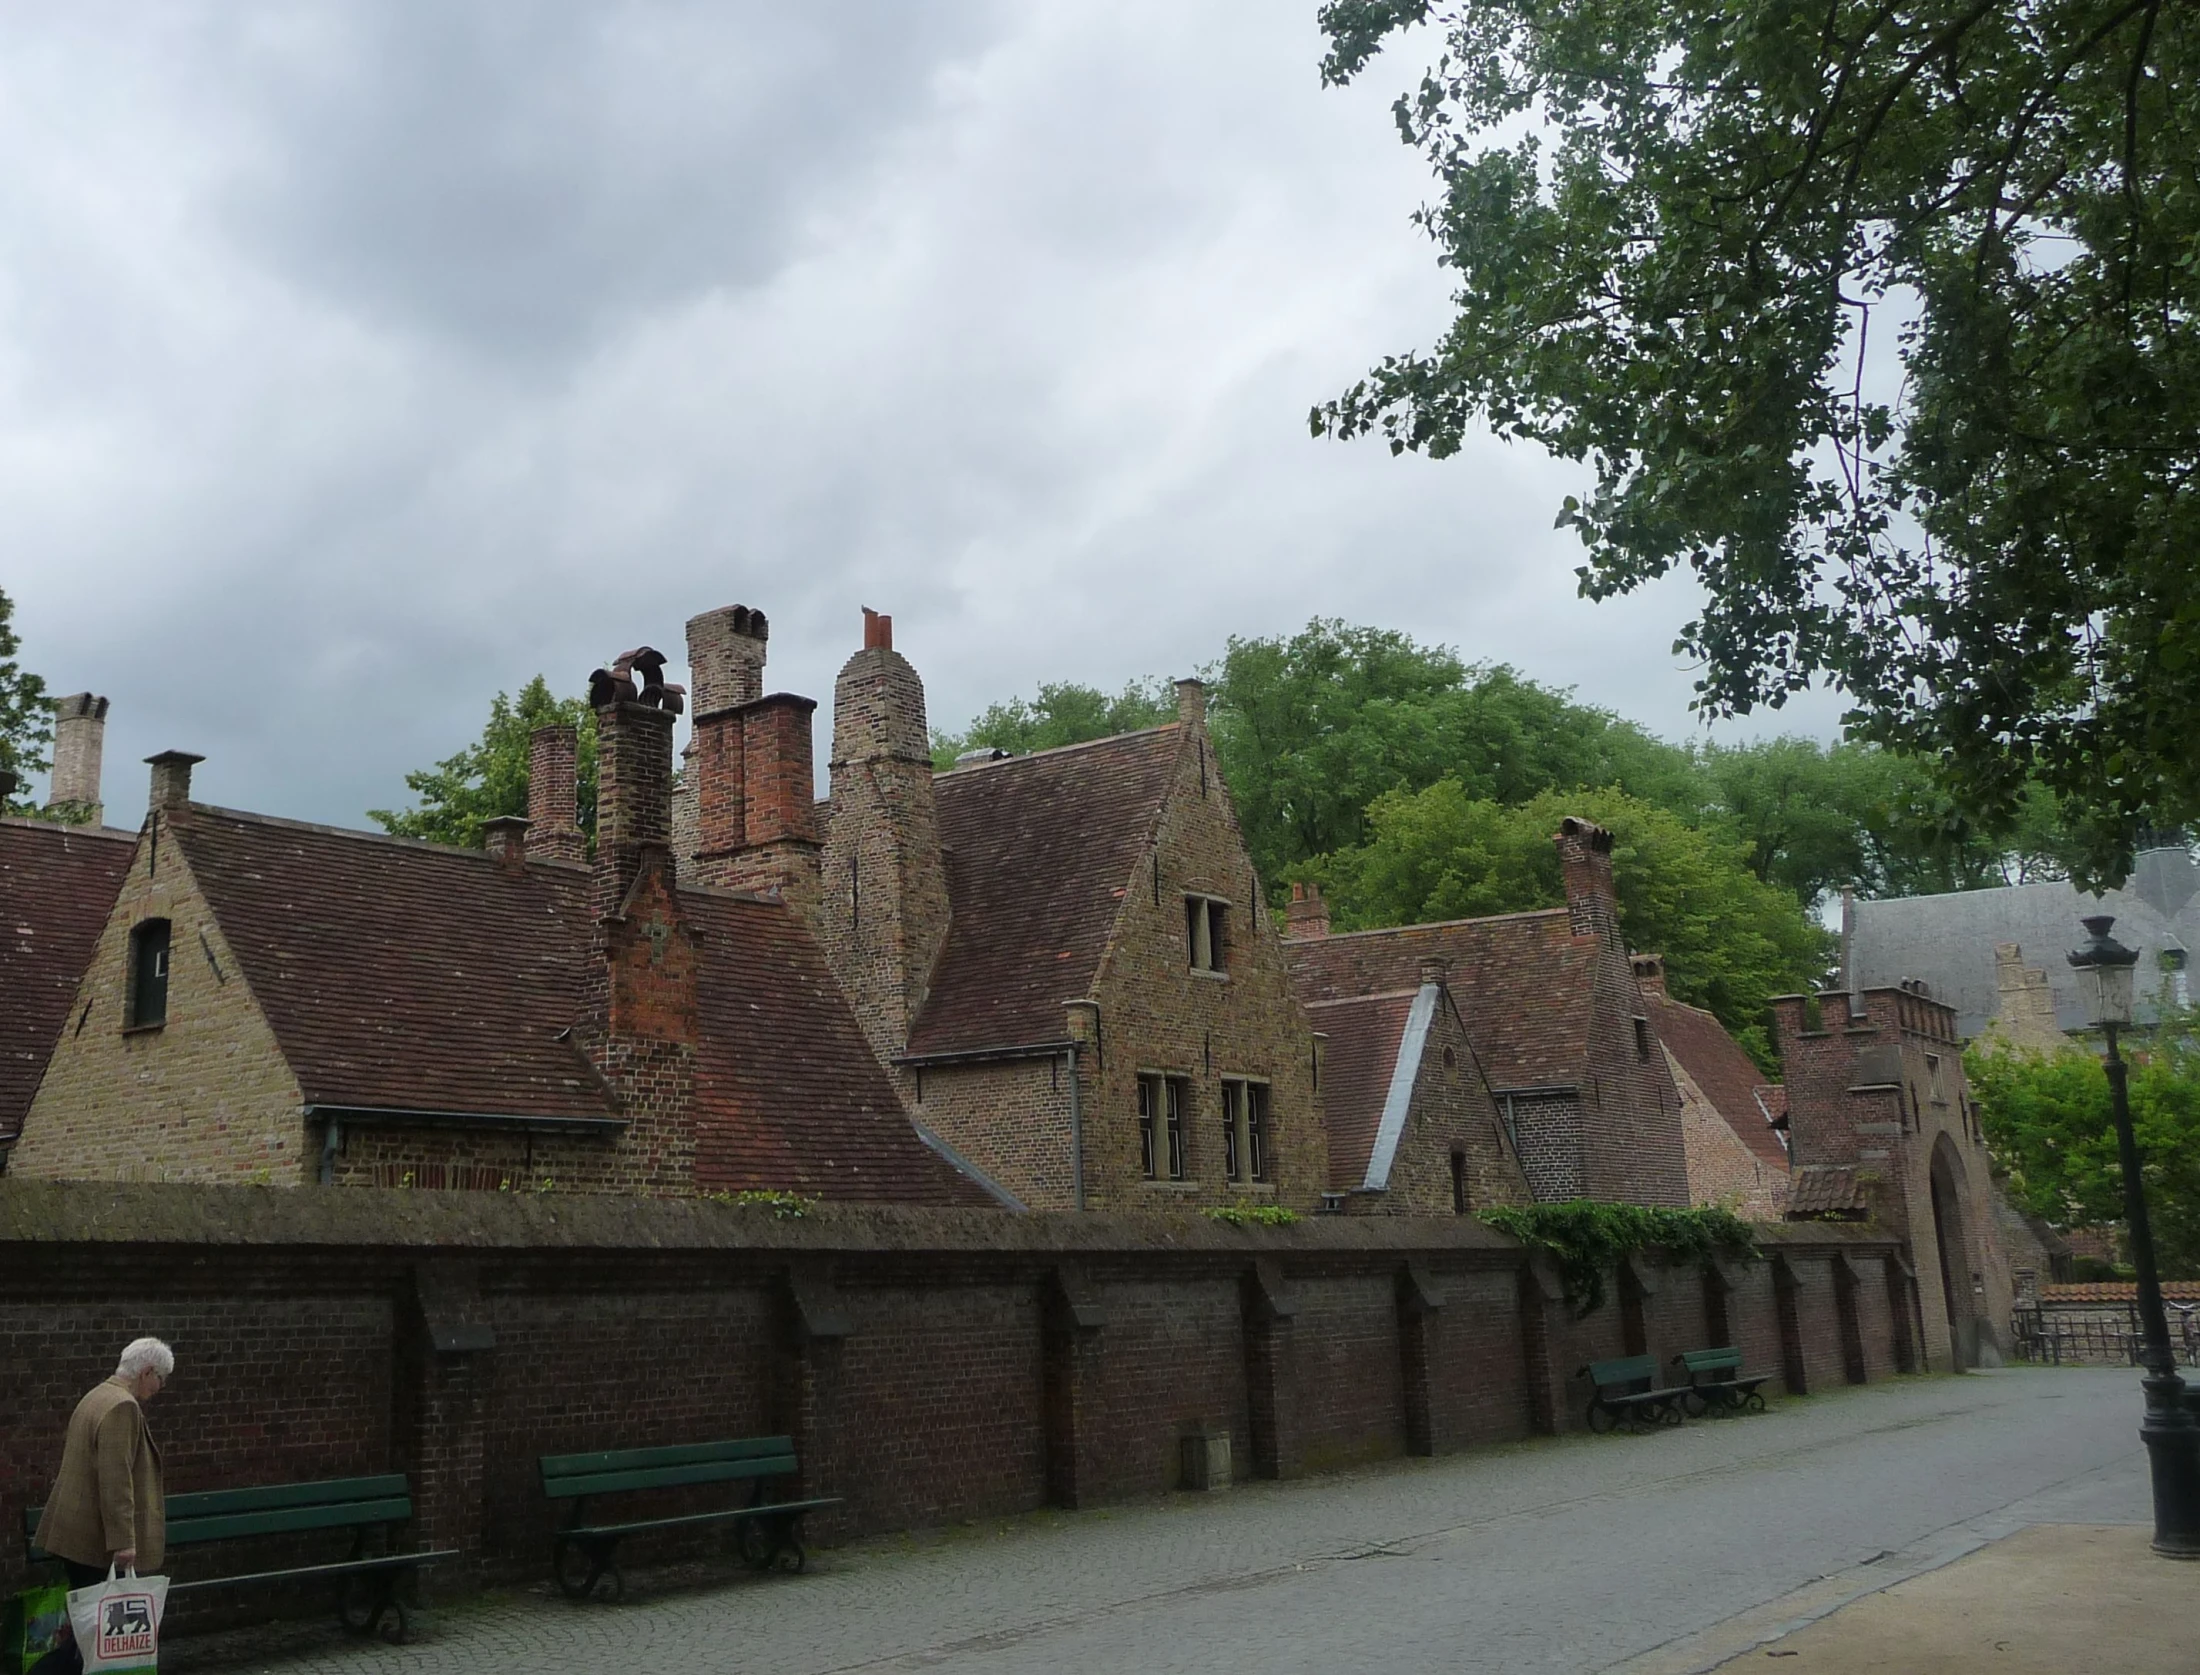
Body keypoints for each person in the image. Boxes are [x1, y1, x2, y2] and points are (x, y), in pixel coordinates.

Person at [42, 1338, 171, 1589]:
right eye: (161, 1378)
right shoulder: (123, 1407)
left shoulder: (97, 1395)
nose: (161, 1386)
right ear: (146, 1372)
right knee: (104, 1623)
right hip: (95, 1542)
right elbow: (116, 1479)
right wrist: (124, 1543)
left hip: (74, 1532)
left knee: (88, 1619)